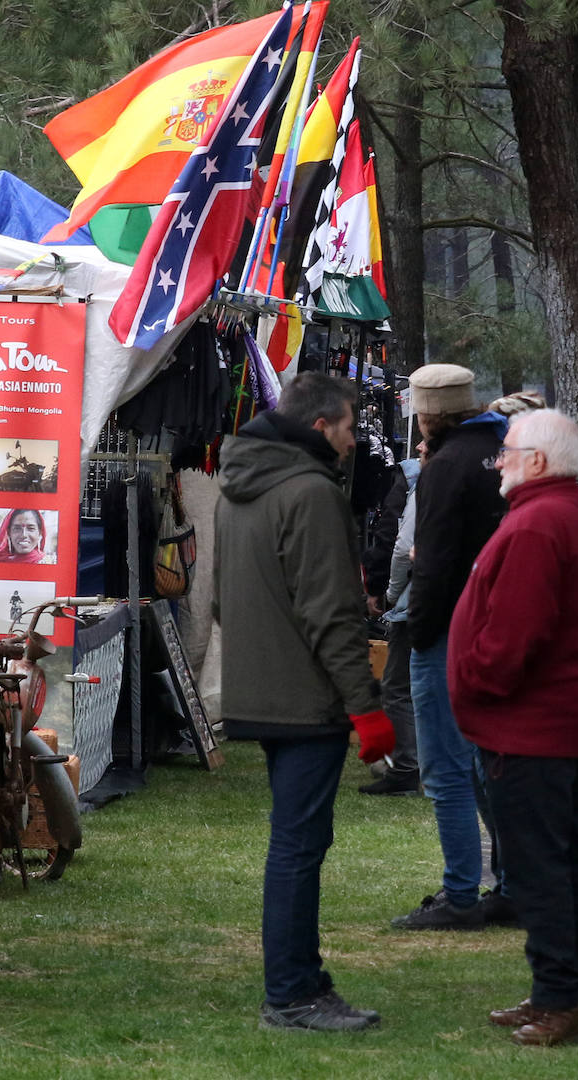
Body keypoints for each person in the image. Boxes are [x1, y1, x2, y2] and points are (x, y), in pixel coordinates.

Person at [214, 372, 396, 1031]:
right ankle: (291, 993)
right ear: (322, 426)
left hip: (261, 689)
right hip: (304, 697)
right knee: (297, 846)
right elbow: (333, 614)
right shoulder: (311, 492)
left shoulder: (240, 486)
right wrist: (365, 705)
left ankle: (300, 980)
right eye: (349, 426)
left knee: (296, 842)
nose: (353, 441)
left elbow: (218, 601)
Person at [449, 409, 578, 1047]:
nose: (499, 462)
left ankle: (560, 998)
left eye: (507, 451)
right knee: (560, 862)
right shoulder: (561, 516)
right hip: (551, 723)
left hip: (531, 728)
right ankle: (555, 988)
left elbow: (512, 638)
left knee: (541, 866)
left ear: (538, 461)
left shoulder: (541, 522)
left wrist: (476, 685)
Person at [392, 363, 513, 931]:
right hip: (503, 629)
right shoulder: (507, 448)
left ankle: (461, 891)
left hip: (449, 631)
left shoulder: (446, 466)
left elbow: (435, 560)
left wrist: (418, 629)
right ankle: (513, 883)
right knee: (491, 766)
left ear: (428, 412)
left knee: (446, 768)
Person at [360, 441, 426, 796]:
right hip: (457, 600)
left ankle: (406, 767)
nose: (418, 444)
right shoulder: (485, 474)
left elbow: (397, 544)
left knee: (399, 687)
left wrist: (385, 591)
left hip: (415, 598)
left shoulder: (416, 478)